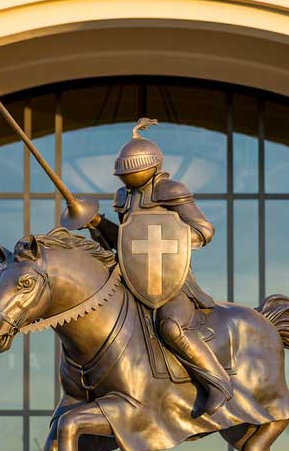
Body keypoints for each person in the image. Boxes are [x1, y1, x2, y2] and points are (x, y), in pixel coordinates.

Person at [85, 118, 232, 415]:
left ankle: (218, 383)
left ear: (150, 167)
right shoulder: (123, 197)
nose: (127, 178)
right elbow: (124, 242)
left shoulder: (171, 190)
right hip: (131, 280)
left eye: (132, 171)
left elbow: (204, 230)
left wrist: (172, 240)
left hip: (171, 284)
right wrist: (97, 222)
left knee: (171, 327)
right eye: (123, 174)